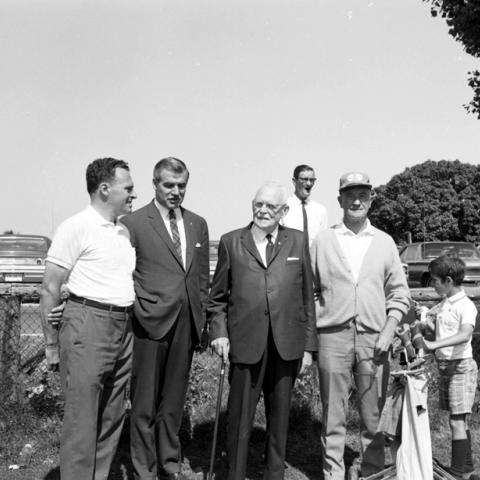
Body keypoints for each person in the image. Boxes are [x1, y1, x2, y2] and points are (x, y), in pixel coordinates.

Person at [208, 181, 317, 480]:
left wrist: (309, 347)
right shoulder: (231, 241)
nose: (263, 210)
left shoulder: (297, 241)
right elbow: (216, 299)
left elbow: (307, 295)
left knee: (280, 416)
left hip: (286, 344)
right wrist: (219, 332)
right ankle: (235, 472)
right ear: (252, 205)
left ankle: (274, 473)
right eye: (259, 203)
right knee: (240, 417)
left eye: (271, 206)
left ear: (283, 211)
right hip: (245, 343)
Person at [40, 158, 137, 480]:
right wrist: (52, 343)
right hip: (88, 325)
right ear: (105, 189)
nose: (133, 195)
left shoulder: (123, 231)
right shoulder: (75, 226)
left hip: (123, 327)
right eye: (128, 188)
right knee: (82, 419)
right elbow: (51, 287)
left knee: (111, 417)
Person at [310, 171, 410, 479]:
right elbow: (309, 290)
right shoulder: (323, 240)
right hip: (332, 338)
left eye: (363, 195)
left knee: (373, 416)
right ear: (339, 199)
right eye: (350, 194)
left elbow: (400, 292)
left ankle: (372, 473)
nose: (356, 200)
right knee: (333, 415)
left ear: (371, 200)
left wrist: (389, 328)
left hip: (374, 340)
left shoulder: (384, 242)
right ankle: (333, 473)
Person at [121, 157, 209, 480]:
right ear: (155, 184)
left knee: (173, 402)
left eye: (181, 185)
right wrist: (140, 308)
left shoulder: (197, 223)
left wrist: (202, 322)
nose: (175, 191)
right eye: (168, 185)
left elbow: (200, 277)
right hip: (149, 323)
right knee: (143, 403)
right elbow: (123, 274)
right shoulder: (133, 223)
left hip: (186, 325)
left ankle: (170, 466)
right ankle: (145, 470)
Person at [422, 255, 479, 480]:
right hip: (446, 366)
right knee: (457, 420)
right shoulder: (445, 303)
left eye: (434, 280)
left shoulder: (465, 305)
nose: (432, 285)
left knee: (457, 421)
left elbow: (465, 334)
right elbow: (439, 330)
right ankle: (466, 470)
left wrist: (434, 344)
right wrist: (426, 324)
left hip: (461, 368)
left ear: (447, 280)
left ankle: (456, 474)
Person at [281, 164, 328, 246]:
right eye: (304, 179)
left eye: (312, 180)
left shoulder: (320, 210)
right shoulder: (283, 207)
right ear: (294, 181)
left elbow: (323, 242)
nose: (309, 183)